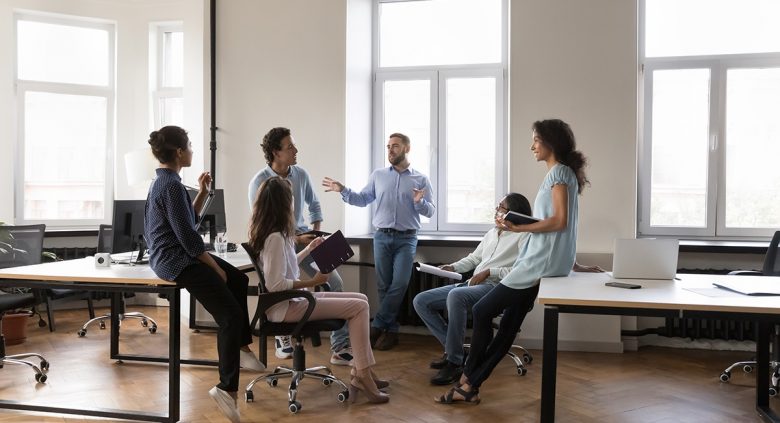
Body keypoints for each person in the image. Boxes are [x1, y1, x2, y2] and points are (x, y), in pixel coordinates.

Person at [435, 118, 589, 405]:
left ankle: (468, 376)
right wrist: (571, 261)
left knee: (482, 310)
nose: (532, 146)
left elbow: (560, 221)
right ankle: (469, 385)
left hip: (537, 264)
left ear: (551, 142)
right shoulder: (564, 173)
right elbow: (562, 229)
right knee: (507, 327)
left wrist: (520, 228)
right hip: (544, 262)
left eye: (536, 140)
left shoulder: (558, 173)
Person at [143, 125, 263, 423]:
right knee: (230, 316)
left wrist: (202, 194)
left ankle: (241, 346)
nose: (193, 151)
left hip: (178, 254)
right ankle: (226, 389)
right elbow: (189, 238)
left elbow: (187, 222)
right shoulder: (171, 185)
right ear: (179, 152)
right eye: (190, 146)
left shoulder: (167, 182)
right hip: (176, 261)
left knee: (239, 279)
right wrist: (214, 268)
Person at [248, 176, 389, 404]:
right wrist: (313, 281)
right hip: (285, 308)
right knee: (359, 307)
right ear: (283, 203)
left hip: (292, 301)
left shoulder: (278, 234)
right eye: (291, 199)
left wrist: (308, 250)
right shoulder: (275, 238)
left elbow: (286, 266)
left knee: (361, 299)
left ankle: (362, 370)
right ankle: (362, 374)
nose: (294, 203)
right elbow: (275, 285)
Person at [248, 127, 352, 366]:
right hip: (279, 243)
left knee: (335, 281)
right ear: (276, 153)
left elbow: (315, 206)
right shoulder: (259, 182)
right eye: (290, 147)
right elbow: (261, 226)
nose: (296, 150)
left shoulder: (301, 174)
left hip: (304, 239)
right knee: (282, 285)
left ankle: (339, 347)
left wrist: (315, 233)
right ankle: (282, 336)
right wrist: (294, 239)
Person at [322, 132, 435, 351]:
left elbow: (430, 211)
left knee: (400, 283)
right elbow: (362, 199)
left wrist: (419, 202)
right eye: (388, 146)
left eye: (395, 146)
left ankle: (377, 325)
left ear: (406, 149)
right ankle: (390, 332)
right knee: (384, 286)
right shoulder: (379, 175)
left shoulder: (420, 179)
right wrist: (343, 190)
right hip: (381, 236)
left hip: (407, 238)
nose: (390, 150)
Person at [413, 193, 532, 385]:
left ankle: (454, 361)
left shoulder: (525, 236)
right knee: (421, 301)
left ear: (514, 213)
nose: (496, 210)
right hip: (474, 284)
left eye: (501, 207)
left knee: (456, 296)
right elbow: (475, 258)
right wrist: (453, 267)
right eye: (498, 207)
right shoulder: (492, 233)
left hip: (497, 287)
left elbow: (522, 269)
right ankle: (456, 351)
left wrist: (489, 272)